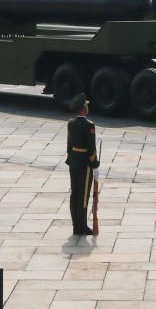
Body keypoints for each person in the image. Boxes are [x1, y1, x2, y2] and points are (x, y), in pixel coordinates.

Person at [65, 93, 99, 235]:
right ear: (83, 109)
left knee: (75, 193)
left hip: (73, 161)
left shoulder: (70, 124)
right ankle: (82, 227)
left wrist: (70, 159)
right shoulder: (89, 125)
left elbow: (69, 145)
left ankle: (75, 226)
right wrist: (95, 164)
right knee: (84, 195)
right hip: (85, 163)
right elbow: (91, 148)